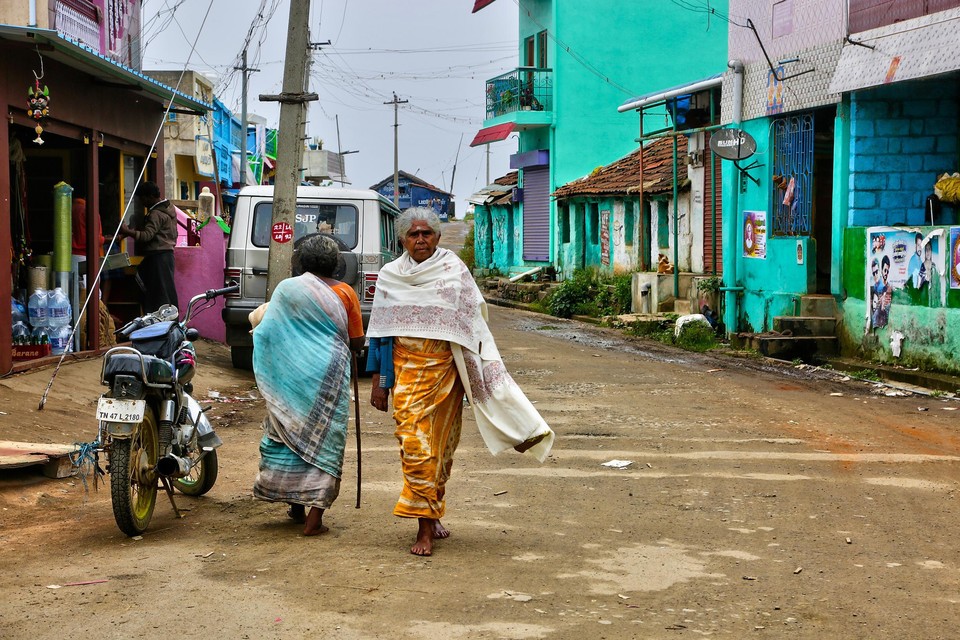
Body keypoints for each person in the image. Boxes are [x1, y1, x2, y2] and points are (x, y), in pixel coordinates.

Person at [366, 207, 554, 556]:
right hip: (407, 374)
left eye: (426, 233)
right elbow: (380, 333)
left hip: (447, 377)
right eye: (413, 234)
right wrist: (379, 381)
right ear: (402, 239)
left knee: (442, 448)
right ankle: (422, 527)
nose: (420, 239)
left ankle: (432, 512)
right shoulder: (390, 276)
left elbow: (473, 326)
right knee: (415, 445)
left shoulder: (454, 271)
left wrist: (481, 377)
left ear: (437, 237)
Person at [250, 235, 364, 536]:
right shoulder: (346, 293)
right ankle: (314, 519)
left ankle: (296, 507)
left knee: (289, 431)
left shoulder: (287, 289)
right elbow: (356, 341)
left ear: (300, 261)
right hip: (328, 374)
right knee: (325, 439)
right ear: (336, 263)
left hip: (290, 376)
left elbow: (266, 332)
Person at [119, 181, 178, 313]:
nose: (141, 203)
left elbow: (147, 236)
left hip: (158, 258)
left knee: (158, 294)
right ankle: (171, 321)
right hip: (167, 256)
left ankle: (160, 325)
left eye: (142, 199)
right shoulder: (169, 209)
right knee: (166, 291)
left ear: (150, 196)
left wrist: (127, 232)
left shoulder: (156, 214)